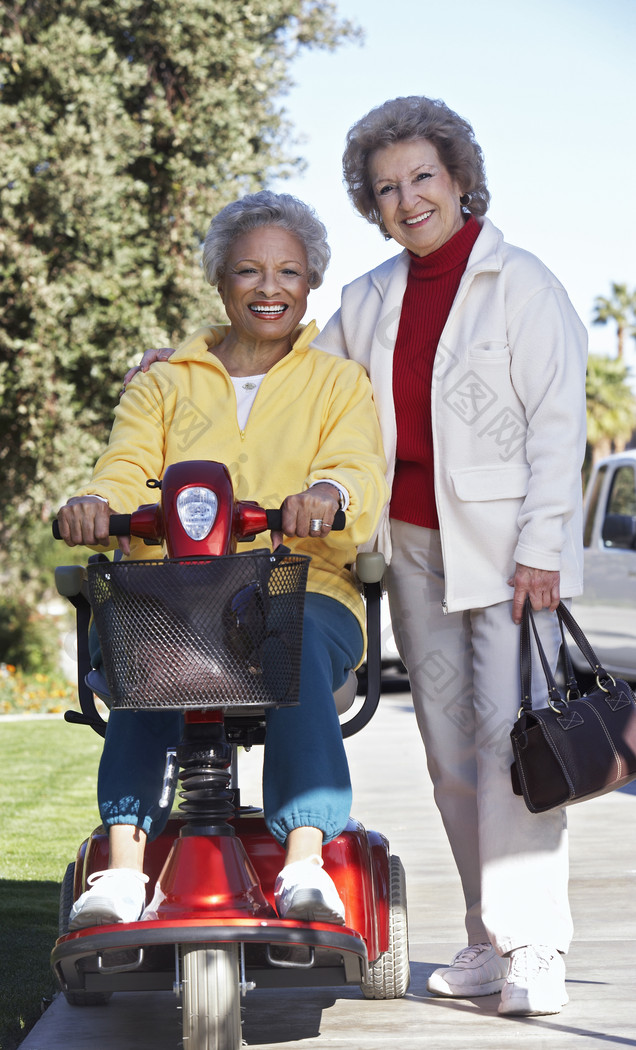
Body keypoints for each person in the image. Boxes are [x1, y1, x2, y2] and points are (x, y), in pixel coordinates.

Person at [127, 98, 588, 1018]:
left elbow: (556, 427)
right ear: (371, 205)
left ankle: (537, 945)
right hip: (408, 548)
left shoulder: (522, 283)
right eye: (387, 188)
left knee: (512, 743)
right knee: (453, 755)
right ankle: (486, 941)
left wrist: (542, 549)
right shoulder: (370, 298)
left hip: (503, 552)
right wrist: (175, 359)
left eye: (423, 177)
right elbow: (281, 366)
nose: (408, 198)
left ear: (459, 178)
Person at [56, 191, 389, 932]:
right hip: (178, 587)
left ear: (311, 285)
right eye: (249, 271)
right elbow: (125, 466)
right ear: (219, 281)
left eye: (289, 273)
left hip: (300, 581)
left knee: (288, 631)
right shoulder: (164, 381)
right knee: (147, 637)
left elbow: (358, 468)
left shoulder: (338, 382)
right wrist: (94, 504)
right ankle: (123, 868)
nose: (269, 288)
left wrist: (328, 493)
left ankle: (306, 864)